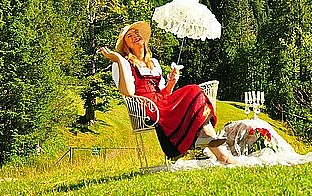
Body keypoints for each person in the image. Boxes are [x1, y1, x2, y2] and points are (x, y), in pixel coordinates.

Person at [100, 21, 236, 164]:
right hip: (148, 108)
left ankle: (212, 144)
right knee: (192, 92)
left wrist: (171, 82)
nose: (135, 36)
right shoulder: (122, 64)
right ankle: (222, 156)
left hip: (163, 102)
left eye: (136, 33)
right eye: (129, 36)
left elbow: (165, 93)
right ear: (125, 46)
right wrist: (120, 60)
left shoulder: (153, 62)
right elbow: (128, 92)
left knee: (194, 90)